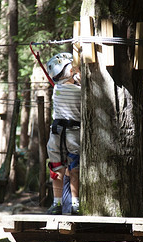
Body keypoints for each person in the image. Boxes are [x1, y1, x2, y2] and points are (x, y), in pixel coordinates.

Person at [46, 53, 81, 215]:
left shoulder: (57, 89)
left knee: (57, 168)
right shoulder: (81, 91)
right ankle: (75, 203)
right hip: (73, 134)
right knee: (74, 168)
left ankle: (57, 203)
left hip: (57, 134)